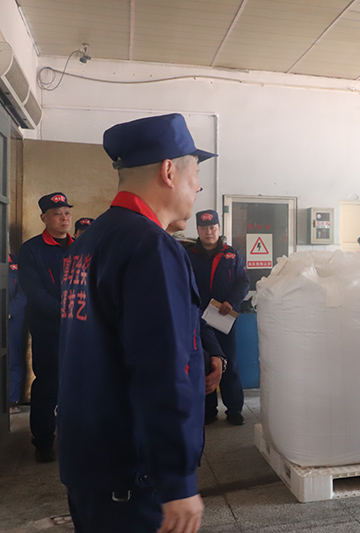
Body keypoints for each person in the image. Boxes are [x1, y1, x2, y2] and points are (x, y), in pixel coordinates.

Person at [57, 113, 216, 533]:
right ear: (169, 171)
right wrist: (177, 479)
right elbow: (161, 368)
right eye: (196, 173)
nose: (198, 187)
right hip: (133, 478)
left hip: (90, 465)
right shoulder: (150, 247)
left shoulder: (92, 239)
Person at [18, 192, 73, 462]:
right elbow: (35, 292)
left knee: (77, 385)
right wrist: (67, 313)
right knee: (48, 385)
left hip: (79, 330)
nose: (64, 218)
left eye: (67, 213)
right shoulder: (31, 250)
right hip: (48, 329)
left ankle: (75, 438)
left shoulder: (80, 247)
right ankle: (43, 441)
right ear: (44, 218)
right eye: (56, 213)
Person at [187, 209, 249, 426]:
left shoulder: (231, 255)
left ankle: (234, 409)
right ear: (198, 230)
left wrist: (231, 302)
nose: (209, 232)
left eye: (212, 228)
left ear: (219, 229)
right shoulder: (188, 255)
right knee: (203, 362)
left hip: (224, 317)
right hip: (198, 318)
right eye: (204, 228)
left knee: (229, 362)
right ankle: (208, 410)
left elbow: (243, 282)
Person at [8, 253, 27, 414]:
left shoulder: (17, 263)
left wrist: (9, 311)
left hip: (12, 318)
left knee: (13, 358)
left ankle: (12, 400)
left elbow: (24, 291)